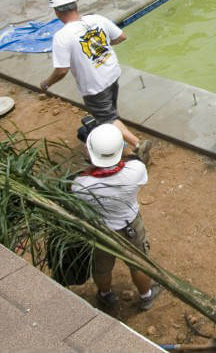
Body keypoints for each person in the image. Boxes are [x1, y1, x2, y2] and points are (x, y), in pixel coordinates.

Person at [40, 0, 151, 160]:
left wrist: (47, 83)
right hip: (112, 73)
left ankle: (137, 144)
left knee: (107, 118)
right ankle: (116, 138)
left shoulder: (62, 37)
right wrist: (105, 45)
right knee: (110, 112)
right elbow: (121, 37)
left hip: (94, 85)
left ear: (57, 12)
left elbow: (62, 70)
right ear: (75, 5)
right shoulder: (96, 19)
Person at [71, 124, 162, 311]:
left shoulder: (81, 184)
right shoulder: (135, 170)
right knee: (138, 264)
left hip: (101, 229)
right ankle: (146, 296)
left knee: (102, 267)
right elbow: (132, 160)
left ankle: (105, 295)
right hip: (130, 226)